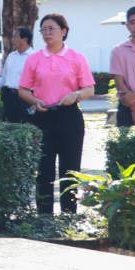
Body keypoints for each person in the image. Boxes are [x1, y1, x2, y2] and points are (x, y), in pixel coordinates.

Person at [18, 13, 95, 215]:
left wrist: (76, 95)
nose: (47, 33)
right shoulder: (35, 58)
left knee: (70, 169)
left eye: (51, 28)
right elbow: (23, 90)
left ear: (64, 31)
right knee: (44, 169)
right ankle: (44, 216)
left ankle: (69, 214)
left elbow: (89, 89)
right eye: (43, 29)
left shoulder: (76, 57)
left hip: (69, 116)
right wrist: (34, 101)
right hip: (43, 116)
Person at [0, 26, 35, 124]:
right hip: (9, 98)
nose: (12, 39)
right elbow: (4, 78)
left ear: (25, 39)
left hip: (25, 99)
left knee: (25, 126)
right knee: (9, 126)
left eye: (15, 36)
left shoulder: (34, 57)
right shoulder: (11, 56)